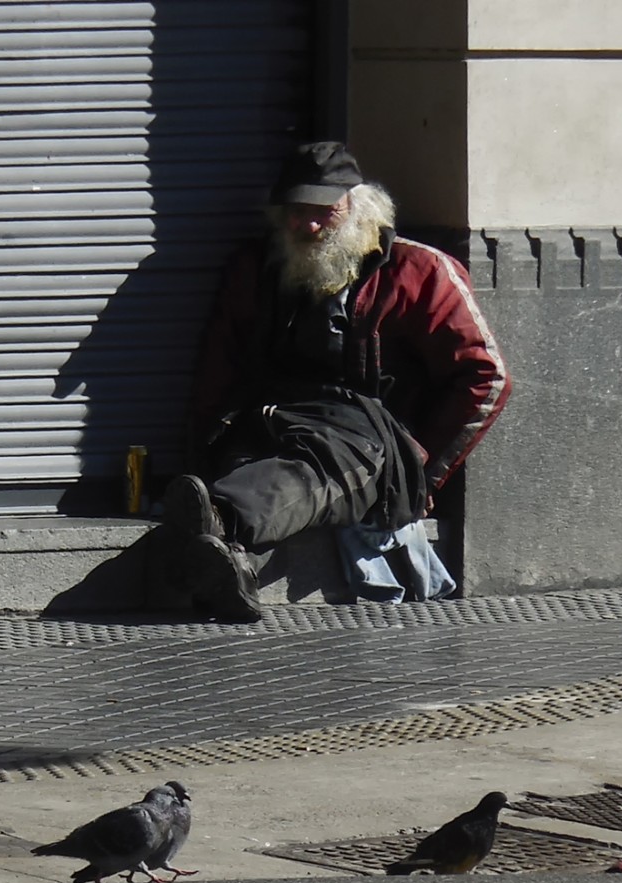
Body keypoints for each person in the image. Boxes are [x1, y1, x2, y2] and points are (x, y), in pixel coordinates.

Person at [162, 141, 511, 622]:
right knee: (251, 461)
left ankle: (217, 519)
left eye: (324, 212)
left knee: (311, 469)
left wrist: (423, 467)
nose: (307, 225)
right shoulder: (258, 267)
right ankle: (229, 564)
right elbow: (219, 367)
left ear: (360, 208)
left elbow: (485, 377)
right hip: (276, 416)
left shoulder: (419, 271)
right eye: (296, 212)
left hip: (367, 436)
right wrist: (201, 449)